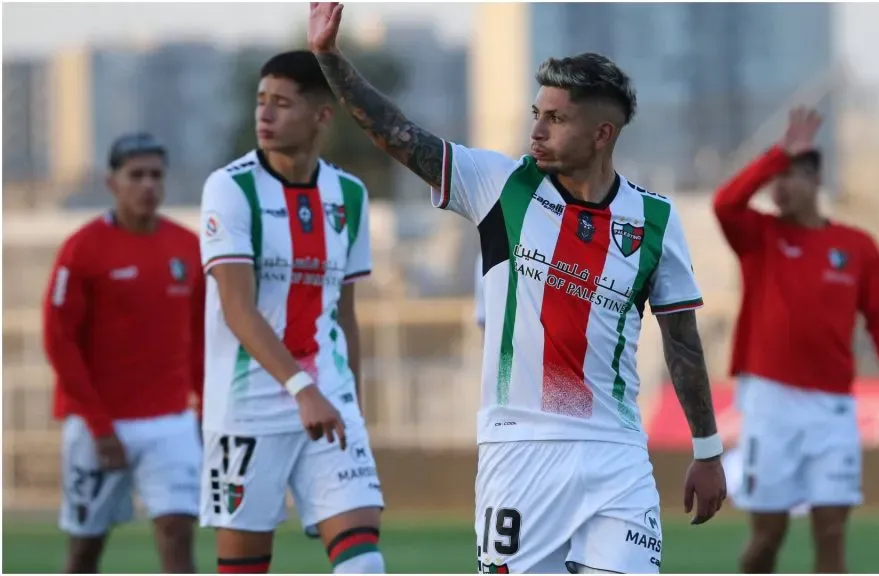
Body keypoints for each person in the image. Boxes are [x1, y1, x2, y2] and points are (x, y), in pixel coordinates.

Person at [309, 4, 727, 573]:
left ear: (601, 134)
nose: (537, 130)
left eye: (555, 118)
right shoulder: (500, 186)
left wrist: (707, 449)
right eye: (537, 113)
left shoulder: (654, 219)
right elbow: (397, 134)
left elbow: (682, 341)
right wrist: (330, 58)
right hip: (519, 453)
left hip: (617, 456)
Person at [712, 107, 879, 573]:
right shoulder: (759, 236)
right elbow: (725, 204)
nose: (779, 187)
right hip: (771, 404)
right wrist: (776, 155)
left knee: (831, 531)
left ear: (814, 180)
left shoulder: (856, 246)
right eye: (775, 178)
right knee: (767, 538)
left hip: (833, 409)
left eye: (789, 176)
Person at [198, 50, 383, 574]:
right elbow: (237, 308)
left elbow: (344, 313)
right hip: (247, 409)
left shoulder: (349, 195)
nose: (264, 113)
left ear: (322, 115)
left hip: (328, 400)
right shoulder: (230, 188)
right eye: (261, 100)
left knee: (363, 564)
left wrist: (352, 405)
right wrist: (303, 390)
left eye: (281, 103)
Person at [43, 133, 204, 573]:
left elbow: (200, 338)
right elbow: (59, 341)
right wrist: (99, 427)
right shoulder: (82, 248)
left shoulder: (187, 247)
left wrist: (205, 408)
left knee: (177, 530)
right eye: (136, 175)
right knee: (85, 547)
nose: (147, 185)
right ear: (112, 182)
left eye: (156, 175)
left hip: (170, 422)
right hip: (98, 424)